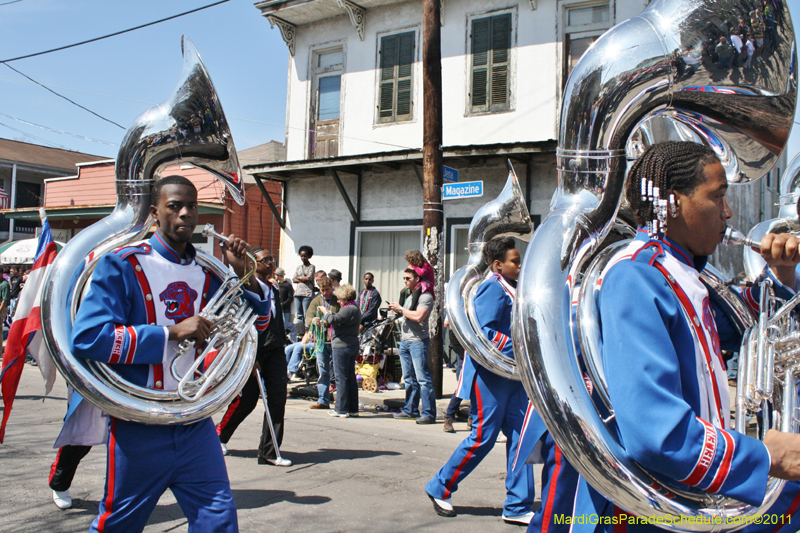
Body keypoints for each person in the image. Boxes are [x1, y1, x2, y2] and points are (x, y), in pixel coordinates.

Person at [571, 141, 800, 532]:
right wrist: (767, 457)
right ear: (673, 202)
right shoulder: (638, 275)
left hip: (694, 493)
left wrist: (781, 274)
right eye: (718, 196)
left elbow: (752, 324)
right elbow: (656, 435)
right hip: (660, 511)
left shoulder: (685, 273)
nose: (728, 212)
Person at [71, 175, 272, 532]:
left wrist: (246, 276)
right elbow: (88, 338)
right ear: (154, 212)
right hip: (140, 425)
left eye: (191, 206)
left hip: (194, 423)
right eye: (174, 206)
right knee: (118, 524)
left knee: (220, 520)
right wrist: (169, 333)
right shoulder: (122, 264)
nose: (185, 214)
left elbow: (256, 325)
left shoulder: (210, 273)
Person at [425, 237, 537, 525]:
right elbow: (482, 333)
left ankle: (517, 505)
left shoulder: (513, 288)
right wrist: (522, 346)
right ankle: (440, 486)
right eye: (515, 260)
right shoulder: (493, 287)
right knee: (482, 439)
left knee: (521, 440)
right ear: (498, 265)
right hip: (490, 377)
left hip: (513, 376)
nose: (520, 264)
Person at [216, 247, 292, 467]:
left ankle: (269, 451)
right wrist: (250, 357)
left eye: (272, 259)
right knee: (246, 401)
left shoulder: (273, 288)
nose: (271, 263)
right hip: (253, 352)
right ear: (252, 263)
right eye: (265, 260)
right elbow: (241, 324)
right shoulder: (247, 287)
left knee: (277, 400)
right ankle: (218, 436)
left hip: (276, 350)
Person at [388, 268, 437, 424]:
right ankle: (410, 409)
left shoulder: (426, 297)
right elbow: (405, 313)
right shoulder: (409, 296)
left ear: (417, 279)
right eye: (404, 278)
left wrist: (401, 309)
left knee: (423, 379)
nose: (405, 281)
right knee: (409, 379)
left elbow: (418, 316)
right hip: (405, 341)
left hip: (418, 342)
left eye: (408, 278)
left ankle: (428, 413)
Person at [321, 283, 361, 418]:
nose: (338, 301)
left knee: (341, 378)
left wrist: (326, 313)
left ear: (345, 298)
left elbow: (334, 319)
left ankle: (341, 408)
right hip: (351, 345)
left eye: (339, 299)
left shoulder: (348, 309)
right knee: (349, 377)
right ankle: (352, 408)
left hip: (342, 346)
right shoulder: (354, 308)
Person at [306, 276, 339, 410]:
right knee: (323, 371)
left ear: (332, 288)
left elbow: (339, 317)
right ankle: (323, 400)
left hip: (335, 341)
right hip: (320, 341)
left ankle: (342, 401)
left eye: (327, 290)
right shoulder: (316, 301)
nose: (325, 293)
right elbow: (308, 317)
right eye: (322, 290)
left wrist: (327, 321)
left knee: (338, 371)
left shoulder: (337, 301)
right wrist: (312, 320)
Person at [442, 316, 464, 433]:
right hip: (464, 354)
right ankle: (449, 417)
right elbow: (452, 334)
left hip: (476, 355)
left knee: (475, 389)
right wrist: (463, 355)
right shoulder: (460, 305)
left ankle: (472, 418)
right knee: (462, 387)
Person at [293, 245, 315, 322]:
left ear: (309, 256)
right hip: (298, 293)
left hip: (307, 293)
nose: (303, 258)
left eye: (305, 256)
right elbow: (294, 279)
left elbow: (308, 278)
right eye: (301, 256)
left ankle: (307, 330)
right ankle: (299, 331)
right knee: (299, 314)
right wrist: (303, 279)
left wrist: (299, 278)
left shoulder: (311, 267)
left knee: (306, 313)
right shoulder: (299, 267)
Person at [275, 267, 295, 342]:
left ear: (279, 275)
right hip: (278, 309)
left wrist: (282, 304)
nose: (275, 276)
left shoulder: (287, 285)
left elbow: (290, 298)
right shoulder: (277, 285)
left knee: (285, 325)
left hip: (285, 309)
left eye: (276, 275)